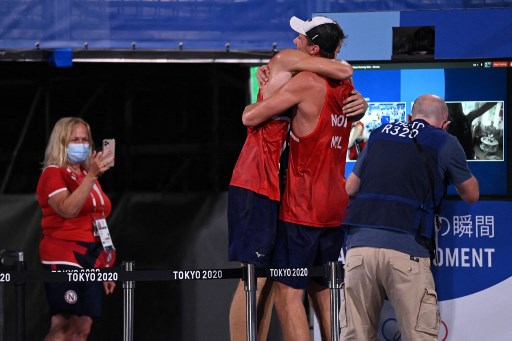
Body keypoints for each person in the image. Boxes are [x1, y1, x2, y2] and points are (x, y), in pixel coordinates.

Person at [228, 15, 368, 340]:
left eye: (300, 39)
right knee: (318, 289)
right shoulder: (348, 91)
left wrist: (266, 94)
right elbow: (343, 72)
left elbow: (249, 116)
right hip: (332, 205)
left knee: (276, 287)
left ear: (314, 49)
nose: (294, 42)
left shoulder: (302, 76)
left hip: (288, 198)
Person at [340, 94, 479, 340]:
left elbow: (350, 187)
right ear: (445, 124)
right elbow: (471, 194)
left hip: (359, 249)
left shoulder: (380, 133)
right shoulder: (446, 142)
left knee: (355, 335)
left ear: (408, 118)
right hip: (407, 250)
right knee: (419, 335)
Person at [36, 117, 116, 341]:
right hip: (64, 253)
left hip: (92, 255)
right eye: (74, 140)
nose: (81, 144)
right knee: (64, 325)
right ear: (61, 143)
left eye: (84, 139)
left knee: (82, 329)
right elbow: (67, 209)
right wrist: (91, 176)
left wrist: (107, 263)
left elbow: (99, 217)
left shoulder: (85, 174)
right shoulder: (53, 173)